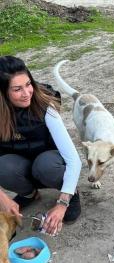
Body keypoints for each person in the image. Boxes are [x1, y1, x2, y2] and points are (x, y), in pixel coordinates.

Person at [0, 55, 82, 236]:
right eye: (17, 89)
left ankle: (71, 194)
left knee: (46, 165)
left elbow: (74, 160)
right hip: (20, 165)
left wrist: (62, 203)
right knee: (3, 167)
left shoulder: (45, 106)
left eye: (28, 84)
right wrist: (3, 199)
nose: (26, 93)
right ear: (3, 92)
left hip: (49, 163)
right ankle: (30, 194)